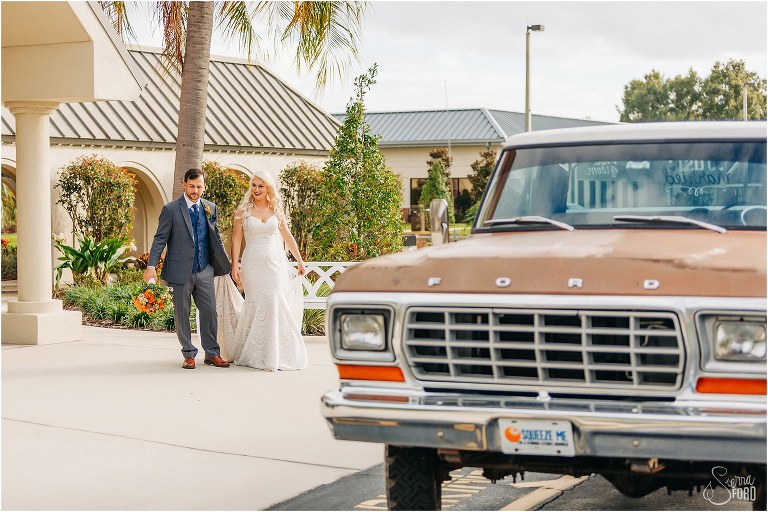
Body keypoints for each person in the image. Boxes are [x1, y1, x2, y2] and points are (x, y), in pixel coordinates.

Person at [145, 168, 232, 369]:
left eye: (199, 186)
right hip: (179, 270)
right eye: (191, 186)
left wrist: (225, 263)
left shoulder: (210, 208)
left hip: (205, 269)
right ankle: (189, 353)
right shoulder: (171, 209)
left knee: (210, 312)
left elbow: (215, 238)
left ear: (204, 186)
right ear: (184, 185)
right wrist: (151, 266)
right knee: (182, 313)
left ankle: (212, 353)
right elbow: (160, 239)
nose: (195, 190)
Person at [225, 170, 308, 371]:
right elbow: (236, 240)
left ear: (268, 188)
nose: (256, 189)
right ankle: (255, 351)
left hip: (274, 266)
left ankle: (275, 352)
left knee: (273, 300)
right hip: (253, 263)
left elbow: (287, 237)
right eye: (254, 185)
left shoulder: (276, 210)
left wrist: (299, 261)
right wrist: (235, 264)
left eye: (261, 186)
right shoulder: (242, 211)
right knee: (255, 303)